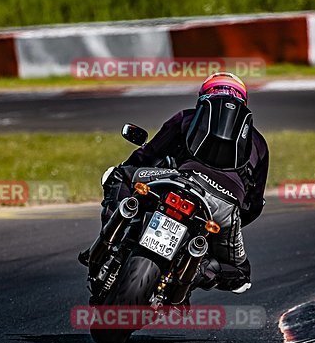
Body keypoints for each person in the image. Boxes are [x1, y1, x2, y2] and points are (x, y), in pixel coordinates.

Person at [81, 72, 269, 294]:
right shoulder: (259, 144)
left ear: (203, 97)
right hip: (223, 207)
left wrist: (131, 169)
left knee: (119, 175)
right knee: (240, 275)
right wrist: (225, 223)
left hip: (176, 180)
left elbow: (148, 154)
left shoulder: (186, 118)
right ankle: (196, 270)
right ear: (243, 102)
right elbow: (254, 204)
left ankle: (109, 242)